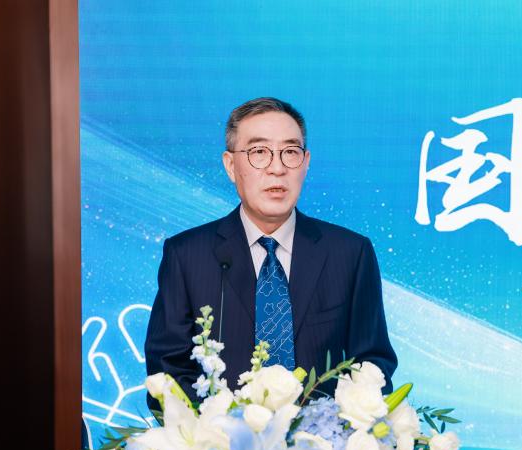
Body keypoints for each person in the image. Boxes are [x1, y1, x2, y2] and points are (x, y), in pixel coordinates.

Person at [144, 97, 397, 408]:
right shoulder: (187, 256)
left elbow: (372, 365)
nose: (277, 168)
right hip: (222, 438)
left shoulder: (350, 254)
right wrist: (220, 429)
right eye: (259, 152)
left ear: (305, 163)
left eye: (290, 152)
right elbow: (168, 374)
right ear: (231, 165)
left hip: (323, 436)